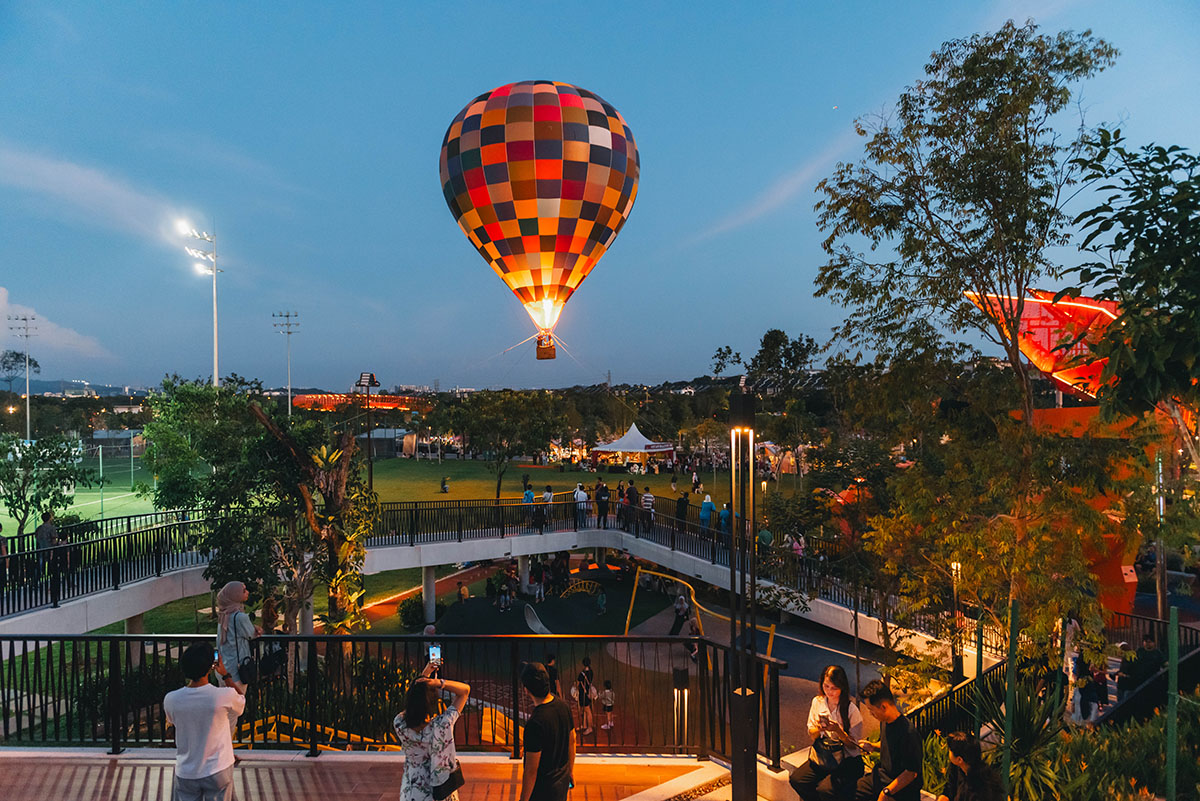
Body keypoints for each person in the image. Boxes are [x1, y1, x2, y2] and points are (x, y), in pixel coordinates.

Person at [163, 644, 246, 801]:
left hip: (186, 771)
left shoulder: (171, 699)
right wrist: (226, 675)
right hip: (218, 769)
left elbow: (173, 722)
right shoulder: (223, 696)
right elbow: (241, 698)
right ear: (210, 668)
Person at [394, 661, 471, 801]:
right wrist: (438, 683)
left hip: (413, 790)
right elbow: (465, 691)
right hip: (441, 790)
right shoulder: (442, 726)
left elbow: (414, 700)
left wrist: (424, 676)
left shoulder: (400, 724)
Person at [789, 665, 864, 801]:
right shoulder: (818, 702)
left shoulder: (851, 710)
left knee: (826, 790)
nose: (829, 691)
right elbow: (812, 733)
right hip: (825, 755)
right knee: (797, 779)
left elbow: (854, 746)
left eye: (834, 688)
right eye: (826, 686)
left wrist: (838, 731)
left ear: (842, 687)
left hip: (847, 760)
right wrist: (819, 728)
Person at [856, 679, 922, 801]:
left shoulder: (908, 732)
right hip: (882, 775)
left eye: (871, 710)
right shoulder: (885, 721)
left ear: (883, 707)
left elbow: (911, 773)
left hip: (902, 788)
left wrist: (886, 792)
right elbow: (889, 744)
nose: (870, 714)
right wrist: (873, 746)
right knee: (852, 791)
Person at [519, 662, 575, 801]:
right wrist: (570, 772)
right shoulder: (563, 706)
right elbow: (572, 740)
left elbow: (531, 771)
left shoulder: (535, 724)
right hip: (561, 782)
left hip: (543, 790)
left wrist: (523, 799)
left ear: (526, 690)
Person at [216, 581, 259, 693]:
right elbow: (251, 634)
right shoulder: (240, 617)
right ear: (235, 595)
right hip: (237, 671)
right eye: (243, 591)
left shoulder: (223, 615)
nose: (247, 592)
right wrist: (258, 630)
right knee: (237, 705)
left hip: (222, 668)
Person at [935, 732, 1002, 801]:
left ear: (959, 759)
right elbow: (950, 786)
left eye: (950, 750)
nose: (948, 752)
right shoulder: (959, 768)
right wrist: (945, 796)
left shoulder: (981, 786)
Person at [574, 656, 596, 735]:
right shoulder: (591, 672)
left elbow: (577, 684)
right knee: (586, 710)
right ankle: (584, 725)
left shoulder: (581, 674)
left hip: (583, 694)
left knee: (587, 710)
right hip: (587, 693)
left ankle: (589, 728)